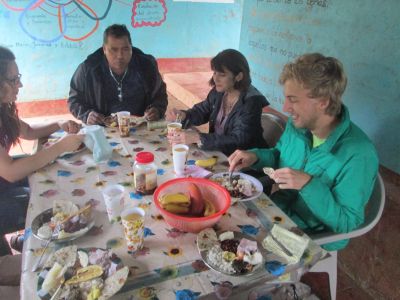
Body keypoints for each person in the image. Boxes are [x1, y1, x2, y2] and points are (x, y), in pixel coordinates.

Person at [228, 53, 378, 250]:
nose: (285, 107)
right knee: (218, 221)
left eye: (293, 99)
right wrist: (255, 156)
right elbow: (278, 155)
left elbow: (347, 223)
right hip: (278, 213)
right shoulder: (298, 125)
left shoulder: (358, 154)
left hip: (313, 236)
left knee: (236, 260)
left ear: (323, 101)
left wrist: (308, 185)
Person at [0, 46, 84, 255]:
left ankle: (23, 241)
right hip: (5, 178)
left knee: (50, 177)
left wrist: (59, 123)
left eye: (18, 77)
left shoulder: (3, 108)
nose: (20, 84)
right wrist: (60, 146)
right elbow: (10, 171)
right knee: (44, 202)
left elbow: (27, 131)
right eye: (13, 80)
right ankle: (31, 246)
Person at [166, 49, 269, 156]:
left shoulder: (251, 102)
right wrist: (183, 115)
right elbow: (202, 111)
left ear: (239, 76)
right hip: (220, 153)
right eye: (215, 73)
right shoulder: (219, 92)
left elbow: (239, 140)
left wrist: (199, 138)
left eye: (222, 75)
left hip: (244, 163)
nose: (215, 78)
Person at [68, 24, 168, 125]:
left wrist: (157, 109)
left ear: (131, 48)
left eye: (125, 49)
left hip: (141, 127)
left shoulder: (146, 66)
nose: (120, 56)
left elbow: (160, 95)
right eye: (113, 50)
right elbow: (74, 100)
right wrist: (86, 114)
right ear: (104, 49)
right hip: (102, 127)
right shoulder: (88, 69)